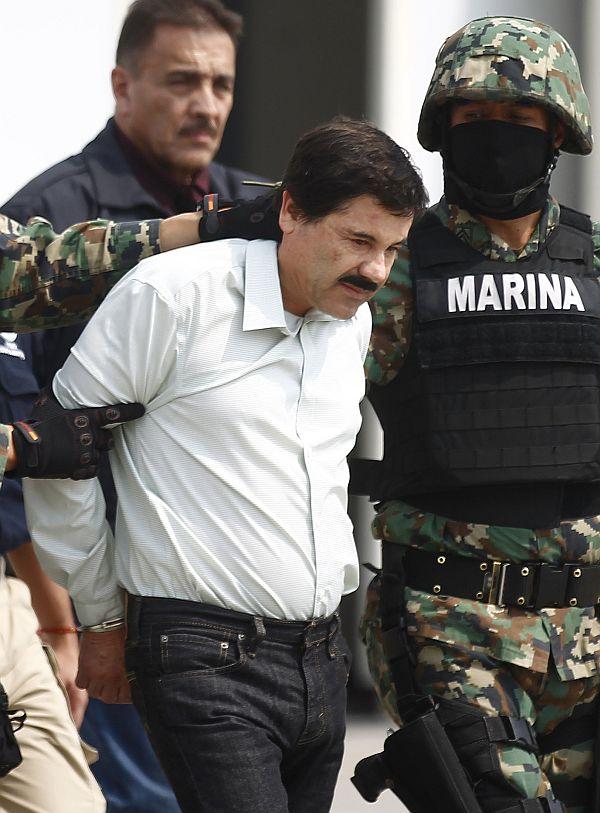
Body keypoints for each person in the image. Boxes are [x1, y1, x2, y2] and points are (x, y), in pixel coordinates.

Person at [23, 117, 427, 813]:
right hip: (203, 660)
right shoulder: (171, 296)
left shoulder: (352, 317)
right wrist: (97, 618)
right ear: (291, 209)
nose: (377, 270)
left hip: (322, 661)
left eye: (393, 247)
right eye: (359, 240)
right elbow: (61, 455)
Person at [3, 0, 263, 806]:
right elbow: (18, 444)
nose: (207, 103)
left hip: (232, 603)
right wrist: (64, 622)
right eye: (182, 79)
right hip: (108, 602)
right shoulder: (48, 218)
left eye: (220, 82)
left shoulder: (250, 217)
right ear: (122, 85)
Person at [349, 16, 600, 813]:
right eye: (474, 121)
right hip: (448, 624)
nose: (496, 141)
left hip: (590, 636)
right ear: (442, 131)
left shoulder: (594, 264)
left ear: (556, 132)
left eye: (520, 123)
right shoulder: (390, 268)